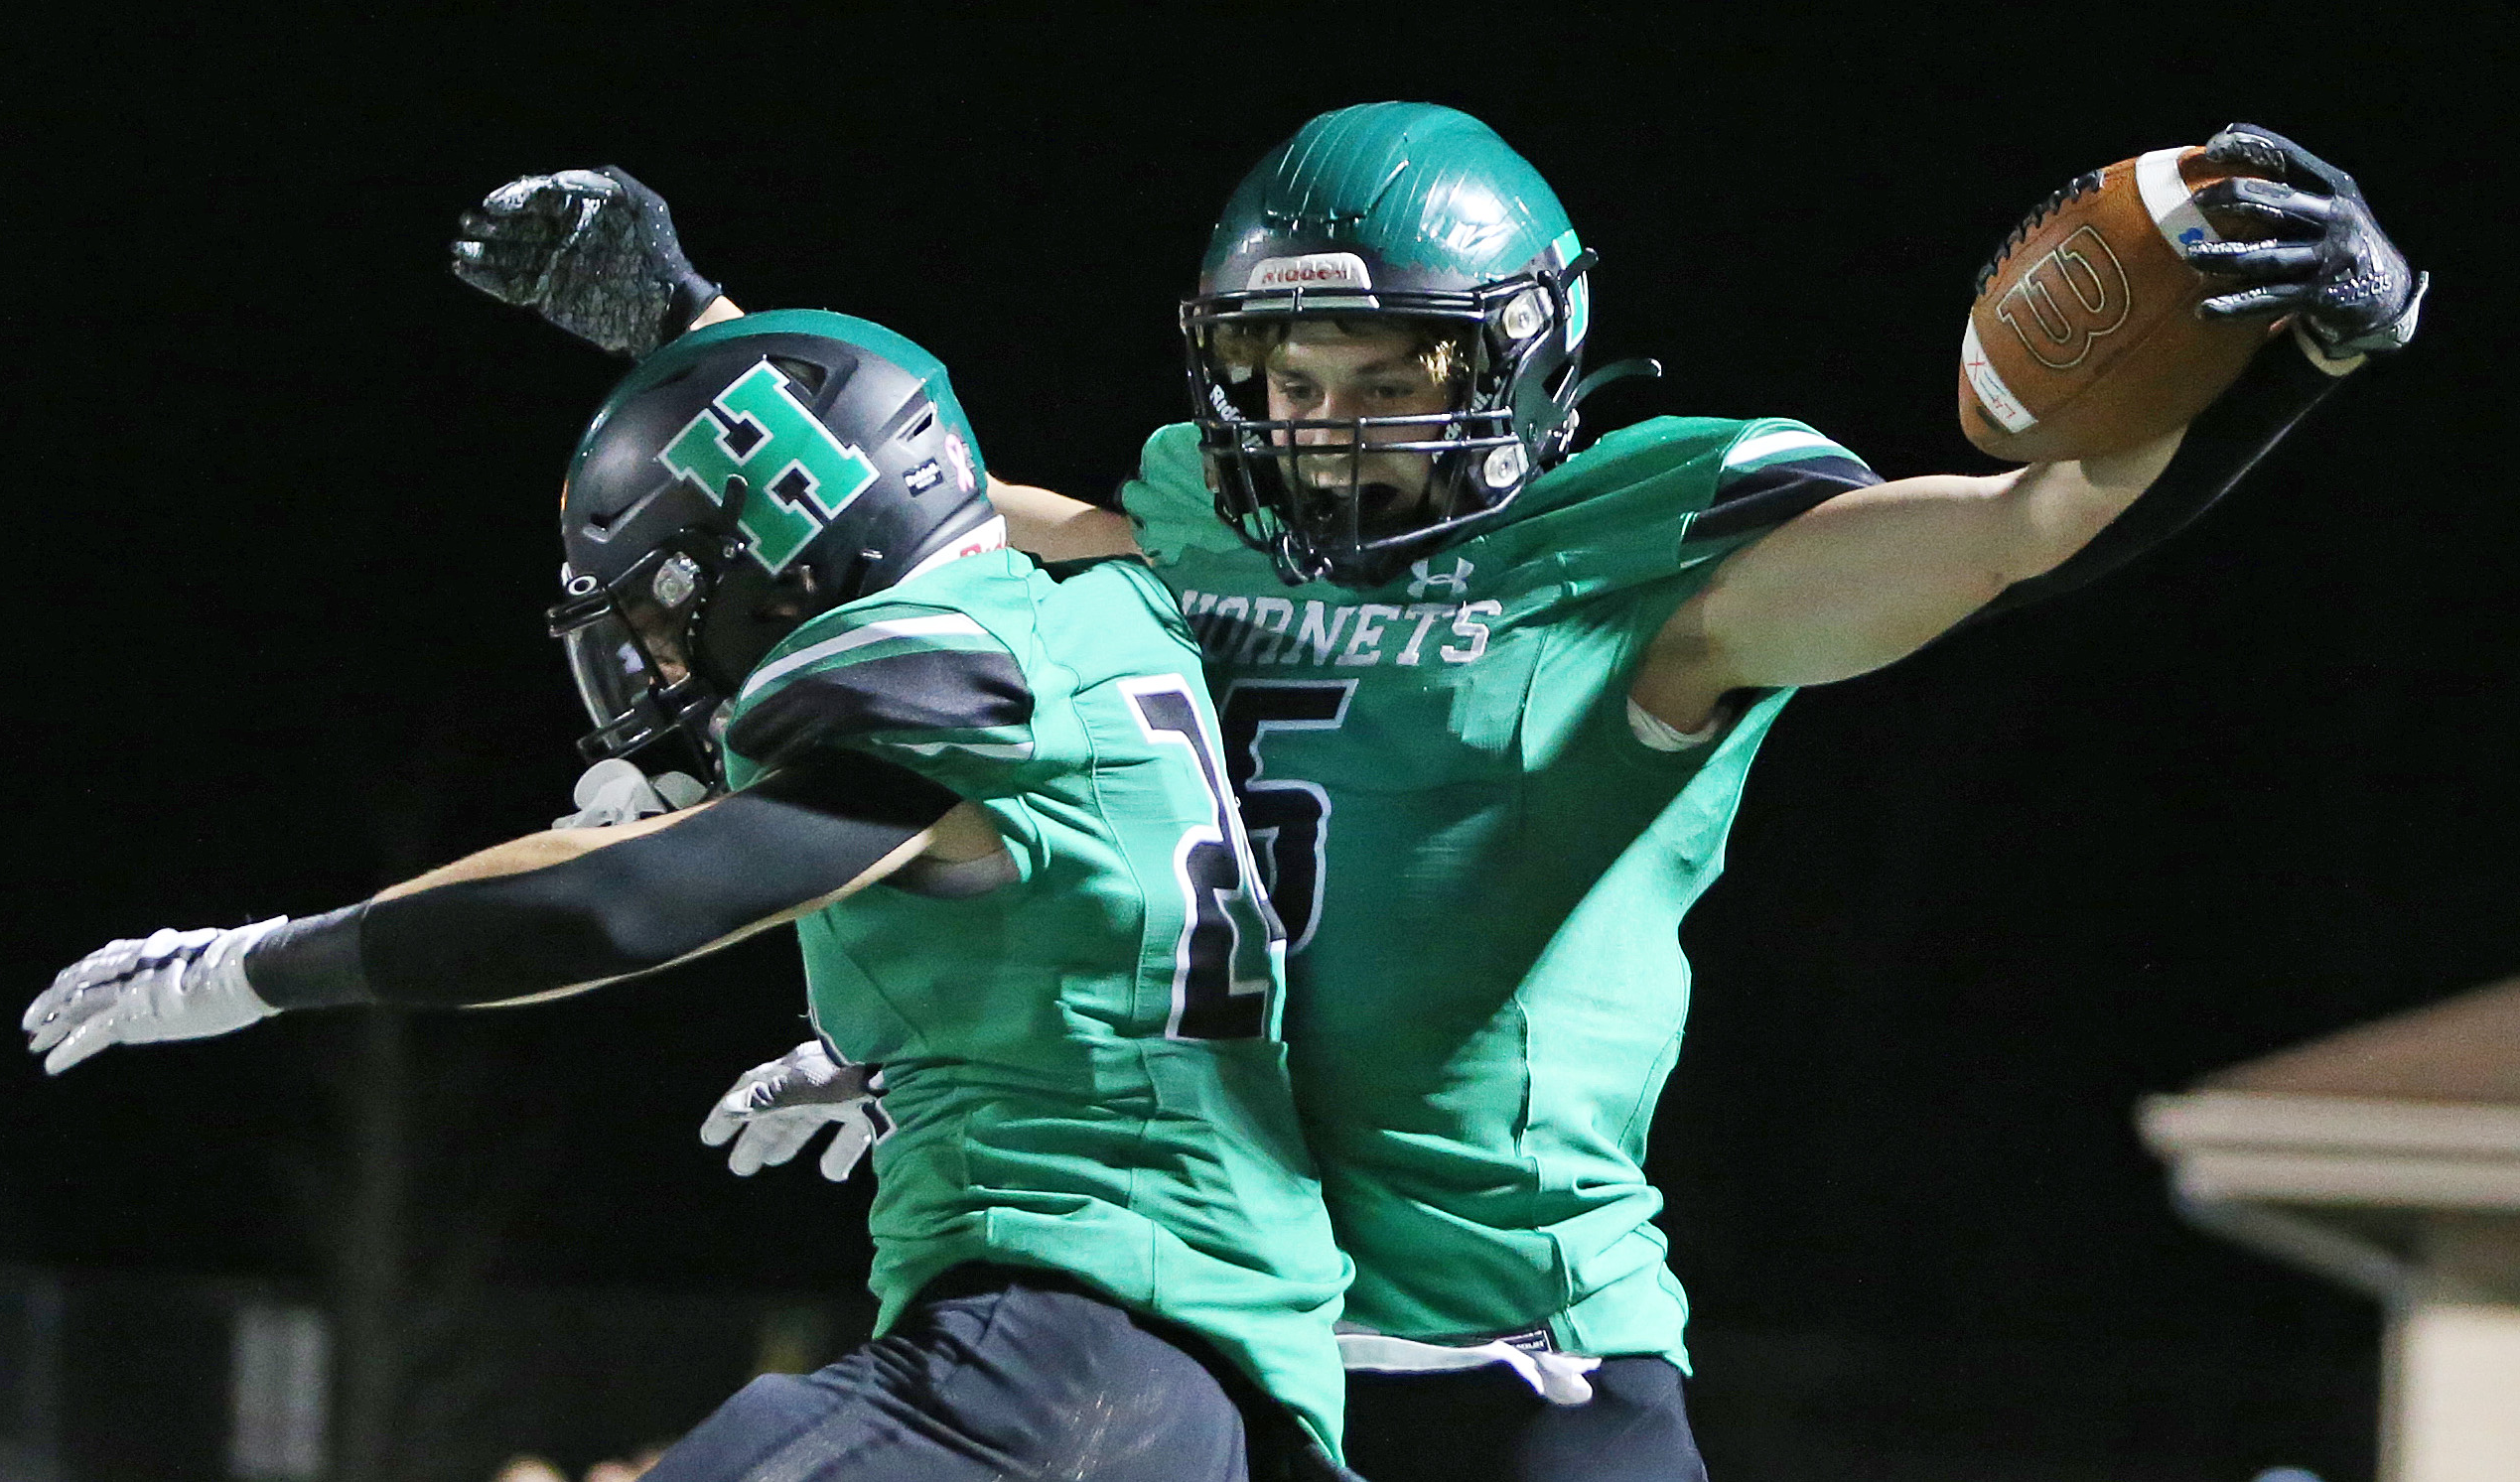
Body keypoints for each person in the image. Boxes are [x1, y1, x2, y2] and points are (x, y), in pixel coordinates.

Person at [451, 109, 2422, 1481]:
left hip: (1509, 1353)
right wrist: (698, 327)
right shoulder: (1181, 522)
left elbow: (2024, 529)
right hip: (1196, 1350)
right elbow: (907, 516)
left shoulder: (1647, 551)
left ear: (1527, 349)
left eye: (1388, 363)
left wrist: (2296, 359)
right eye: (1288, 373)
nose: (1329, 422)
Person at [24, 312, 1358, 1482]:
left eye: (667, 603)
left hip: (1053, 1360)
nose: (659, 654)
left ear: (790, 564)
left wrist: (252, 967)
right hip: (1209, 1395)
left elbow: (610, 902)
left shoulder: (934, 674)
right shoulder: (1110, 608)